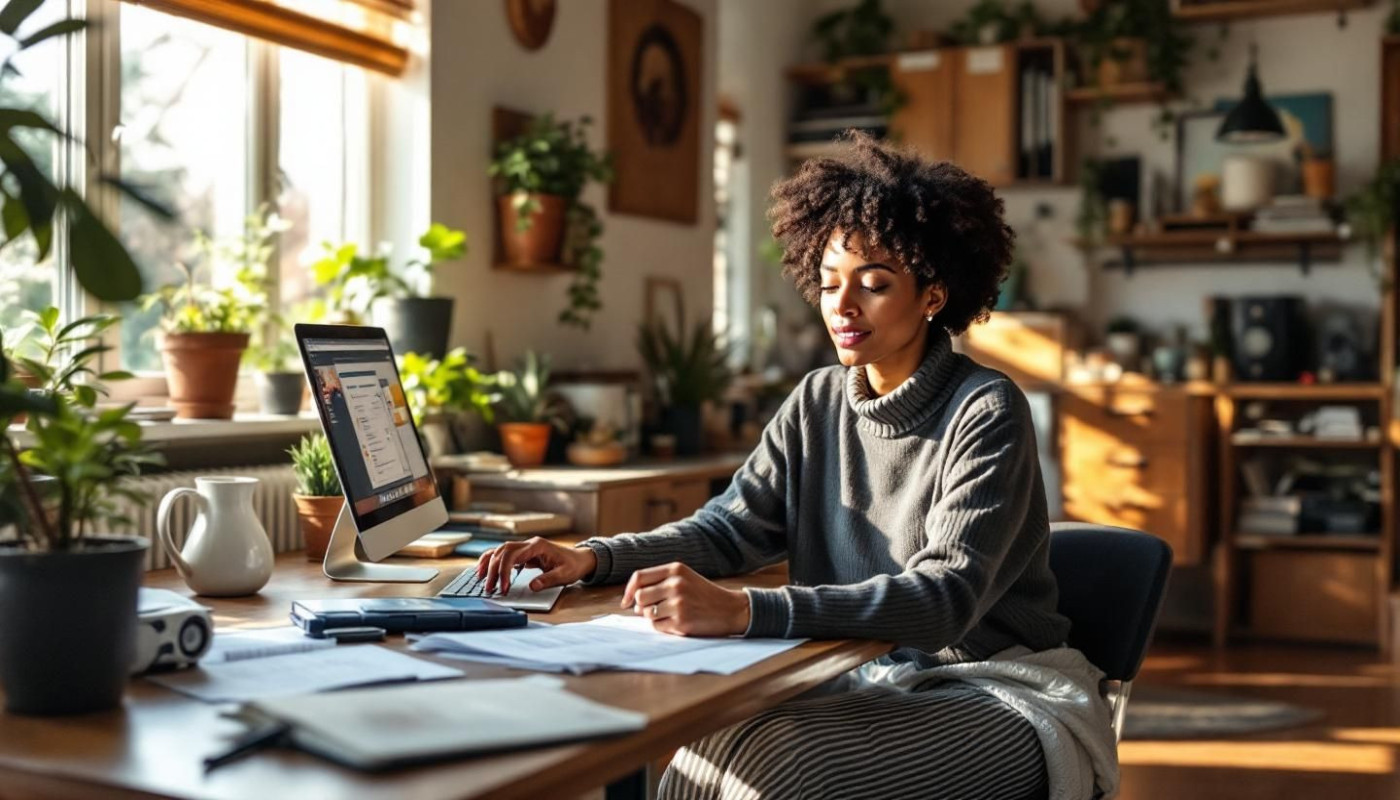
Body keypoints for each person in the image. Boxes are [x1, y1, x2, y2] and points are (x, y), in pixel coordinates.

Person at [476, 133, 1117, 800]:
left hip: (998, 691)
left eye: (873, 285)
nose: (842, 307)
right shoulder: (816, 401)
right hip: (866, 677)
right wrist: (595, 558)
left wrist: (746, 611)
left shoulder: (985, 409)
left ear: (933, 295)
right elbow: (727, 531)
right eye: (830, 282)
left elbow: (943, 601)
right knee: (700, 756)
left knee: (777, 774)